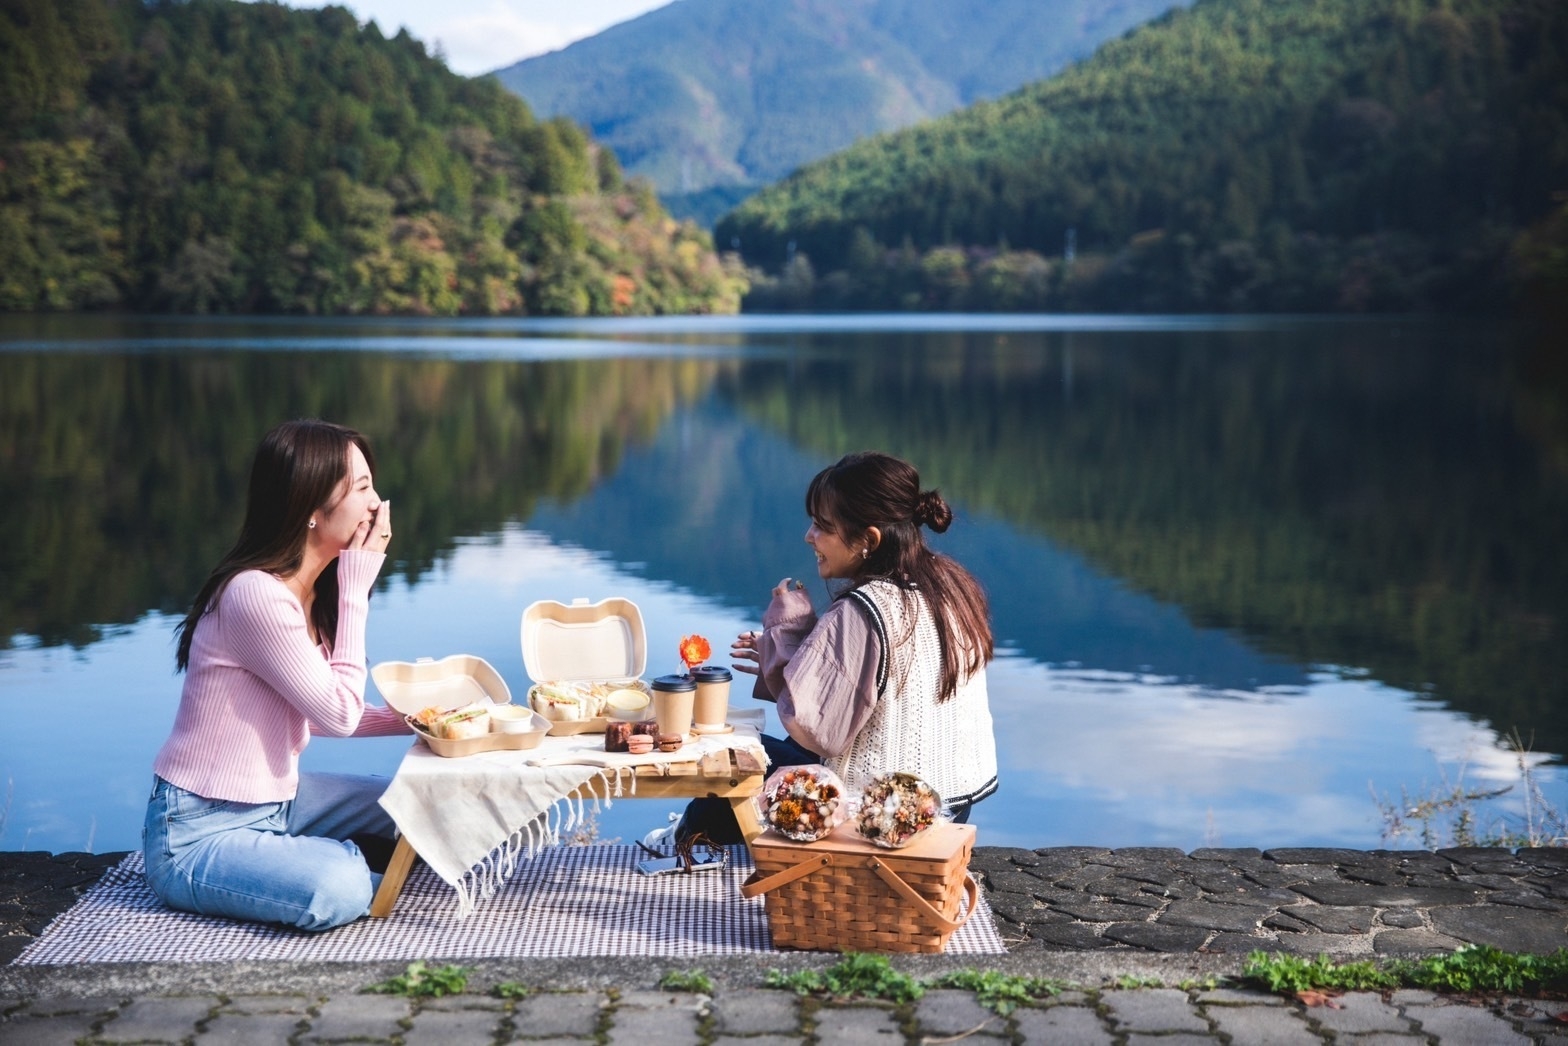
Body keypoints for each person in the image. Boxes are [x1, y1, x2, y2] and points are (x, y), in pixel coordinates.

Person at [142, 419, 412, 931]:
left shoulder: (311, 594)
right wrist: (356, 585)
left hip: (277, 802)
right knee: (342, 886)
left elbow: (334, 707)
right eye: (361, 489)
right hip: (199, 831)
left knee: (418, 809)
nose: (378, 503)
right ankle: (339, 868)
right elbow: (337, 715)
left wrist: (419, 720)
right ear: (310, 510)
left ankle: (319, 860)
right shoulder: (254, 594)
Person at [677, 451, 998, 844]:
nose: (809, 536)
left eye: (822, 526)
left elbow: (815, 730)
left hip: (876, 813)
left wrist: (789, 632)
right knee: (771, 750)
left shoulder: (864, 610)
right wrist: (797, 654)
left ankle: (682, 848)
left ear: (869, 539)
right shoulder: (953, 587)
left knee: (729, 758)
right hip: (949, 806)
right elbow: (873, 689)